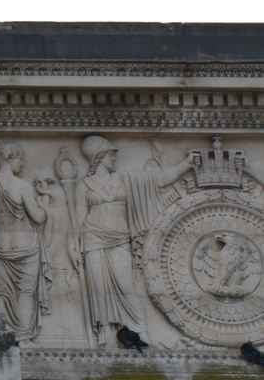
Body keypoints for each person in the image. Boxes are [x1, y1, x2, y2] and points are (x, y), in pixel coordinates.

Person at [73, 135, 192, 346]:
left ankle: (140, 331)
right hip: (93, 241)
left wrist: (186, 164)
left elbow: (159, 180)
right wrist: (72, 245)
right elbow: (78, 220)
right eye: (110, 154)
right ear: (99, 157)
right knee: (101, 290)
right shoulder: (84, 185)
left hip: (119, 239)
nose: (114, 157)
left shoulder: (125, 179)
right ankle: (107, 337)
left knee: (127, 287)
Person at [0, 143, 48, 339]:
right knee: (26, 292)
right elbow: (38, 217)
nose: (22, 164)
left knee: (2, 292)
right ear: (9, 157)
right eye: (20, 159)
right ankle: (23, 338)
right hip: (27, 244)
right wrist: (44, 200)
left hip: (0, 244)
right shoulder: (21, 185)